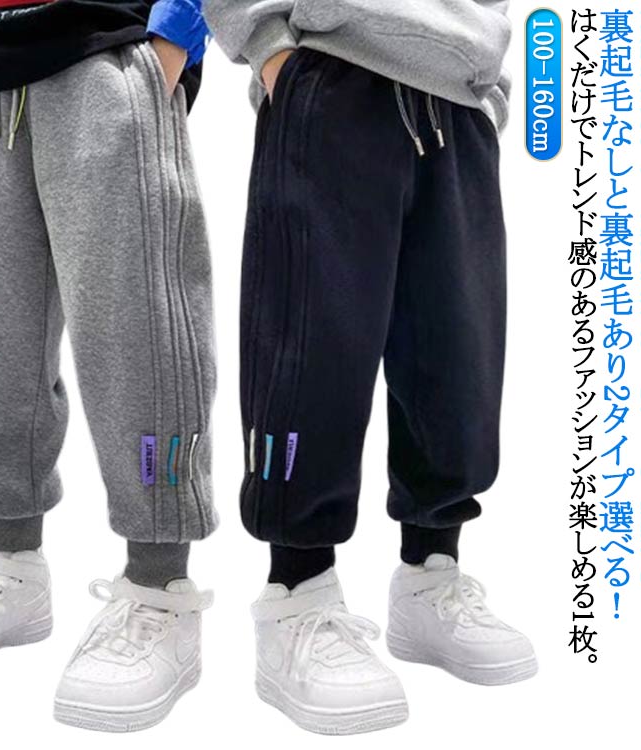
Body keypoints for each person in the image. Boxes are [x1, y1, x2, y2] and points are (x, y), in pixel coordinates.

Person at [204, 0, 538, 735]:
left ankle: (430, 578)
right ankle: (297, 595)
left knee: (458, 358)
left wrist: (487, 88)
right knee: (309, 352)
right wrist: (269, 47)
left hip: (458, 102)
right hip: (334, 69)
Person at [0, 0, 217, 733]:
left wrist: (173, 37)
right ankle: (11, 565)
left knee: (137, 331)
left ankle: (161, 589)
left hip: (104, 50)